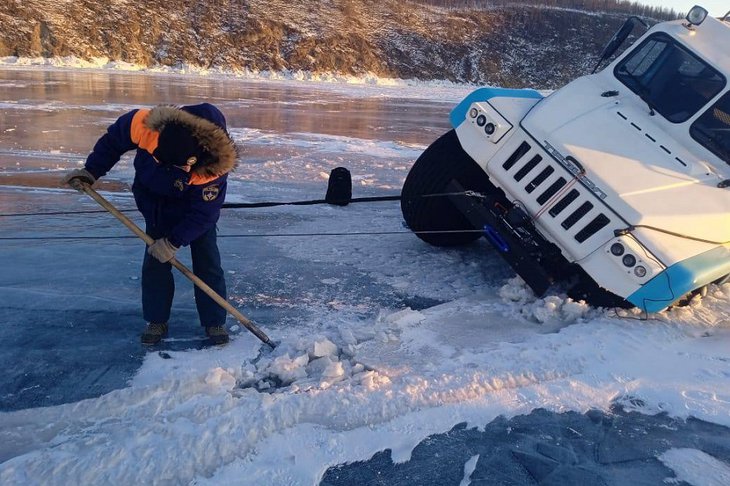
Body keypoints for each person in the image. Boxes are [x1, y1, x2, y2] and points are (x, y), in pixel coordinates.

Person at [62, 103, 237, 345]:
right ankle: (157, 320)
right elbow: (113, 141)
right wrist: (91, 171)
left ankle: (214, 321)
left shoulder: (213, 166)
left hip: (193, 212)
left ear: (193, 160)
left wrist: (174, 242)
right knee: (155, 261)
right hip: (155, 202)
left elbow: (204, 214)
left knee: (207, 261)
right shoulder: (146, 125)